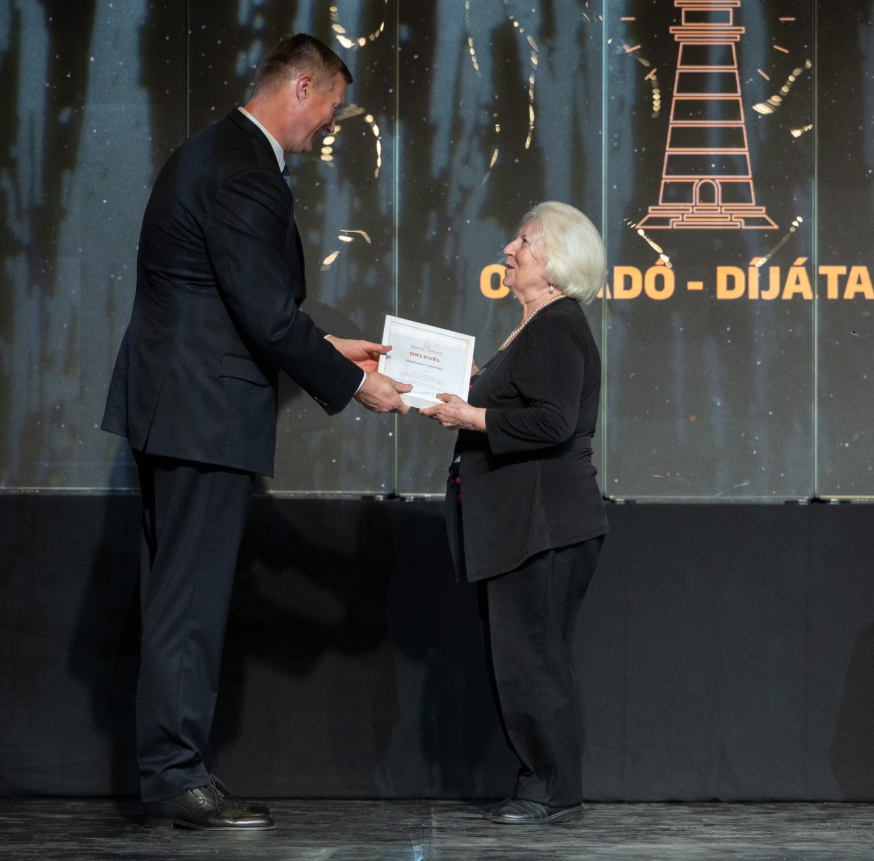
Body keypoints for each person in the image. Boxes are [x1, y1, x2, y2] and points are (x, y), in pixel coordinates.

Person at [101, 34, 411, 830]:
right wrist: (355, 382)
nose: (331, 126)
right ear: (302, 87)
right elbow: (265, 314)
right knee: (189, 601)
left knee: (180, 595)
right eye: (333, 107)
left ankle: (174, 768)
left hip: (180, 408)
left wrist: (330, 345)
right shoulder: (245, 169)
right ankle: (175, 775)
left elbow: (233, 299)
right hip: (202, 416)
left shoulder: (211, 153)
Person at [421, 201, 608, 825]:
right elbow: (525, 403)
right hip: (523, 522)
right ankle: (547, 785)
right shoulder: (536, 327)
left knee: (533, 661)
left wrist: (470, 415)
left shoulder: (556, 325)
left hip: (542, 522)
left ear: (554, 260)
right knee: (526, 659)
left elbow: (553, 421)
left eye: (523, 241)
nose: (508, 249)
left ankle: (549, 791)